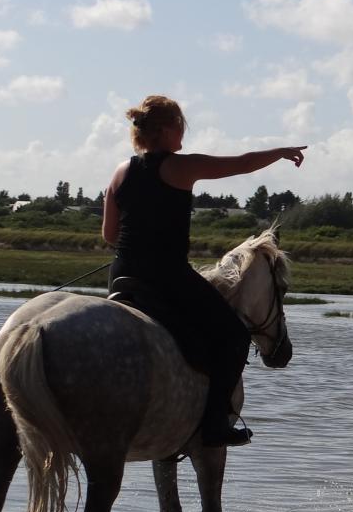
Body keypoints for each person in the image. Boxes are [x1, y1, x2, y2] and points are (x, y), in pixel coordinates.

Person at [102, 95, 306, 447]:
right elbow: (241, 163)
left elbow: (109, 235)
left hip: (122, 275)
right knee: (234, 336)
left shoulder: (121, 171)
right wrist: (280, 151)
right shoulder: (182, 166)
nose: (184, 130)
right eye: (181, 124)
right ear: (166, 130)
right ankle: (214, 424)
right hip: (166, 277)